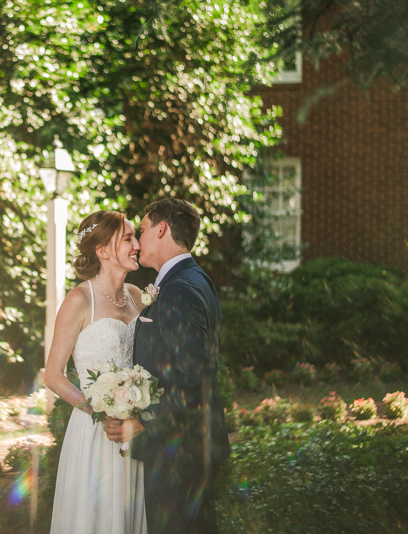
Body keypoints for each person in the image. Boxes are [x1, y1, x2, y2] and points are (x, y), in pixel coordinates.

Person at [103, 199, 230, 534]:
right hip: (190, 447)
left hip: (178, 452)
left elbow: (189, 377)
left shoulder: (178, 291)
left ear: (161, 229)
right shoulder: (192, 279)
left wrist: (143, 424)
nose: (138, 240)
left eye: (142, 231)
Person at [45, 210, 148, 534]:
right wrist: (99, 410)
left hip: (134, 429)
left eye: (136, 237)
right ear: (102, 252)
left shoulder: (136, 297)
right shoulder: (79, 300)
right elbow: (53, 375)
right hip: (95, 430)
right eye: (128, 238)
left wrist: (138, 413)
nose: (137, 245)